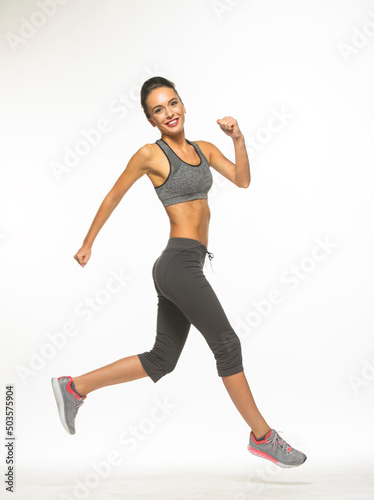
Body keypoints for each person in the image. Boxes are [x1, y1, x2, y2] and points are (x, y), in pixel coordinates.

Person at [51, 76, 307, 468]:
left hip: (186, 263)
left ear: (184, 106)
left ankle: (74, 387)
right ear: (150, 119)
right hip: (178, 264)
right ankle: (263, 437)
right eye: (158, 109)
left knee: (162, 359)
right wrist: (88, 243)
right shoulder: (149, 155)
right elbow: (114, 195)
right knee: (227, 344)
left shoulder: (203, 149)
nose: (168, 113)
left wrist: (237, 138)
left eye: (172, 103)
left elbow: (242, 179)